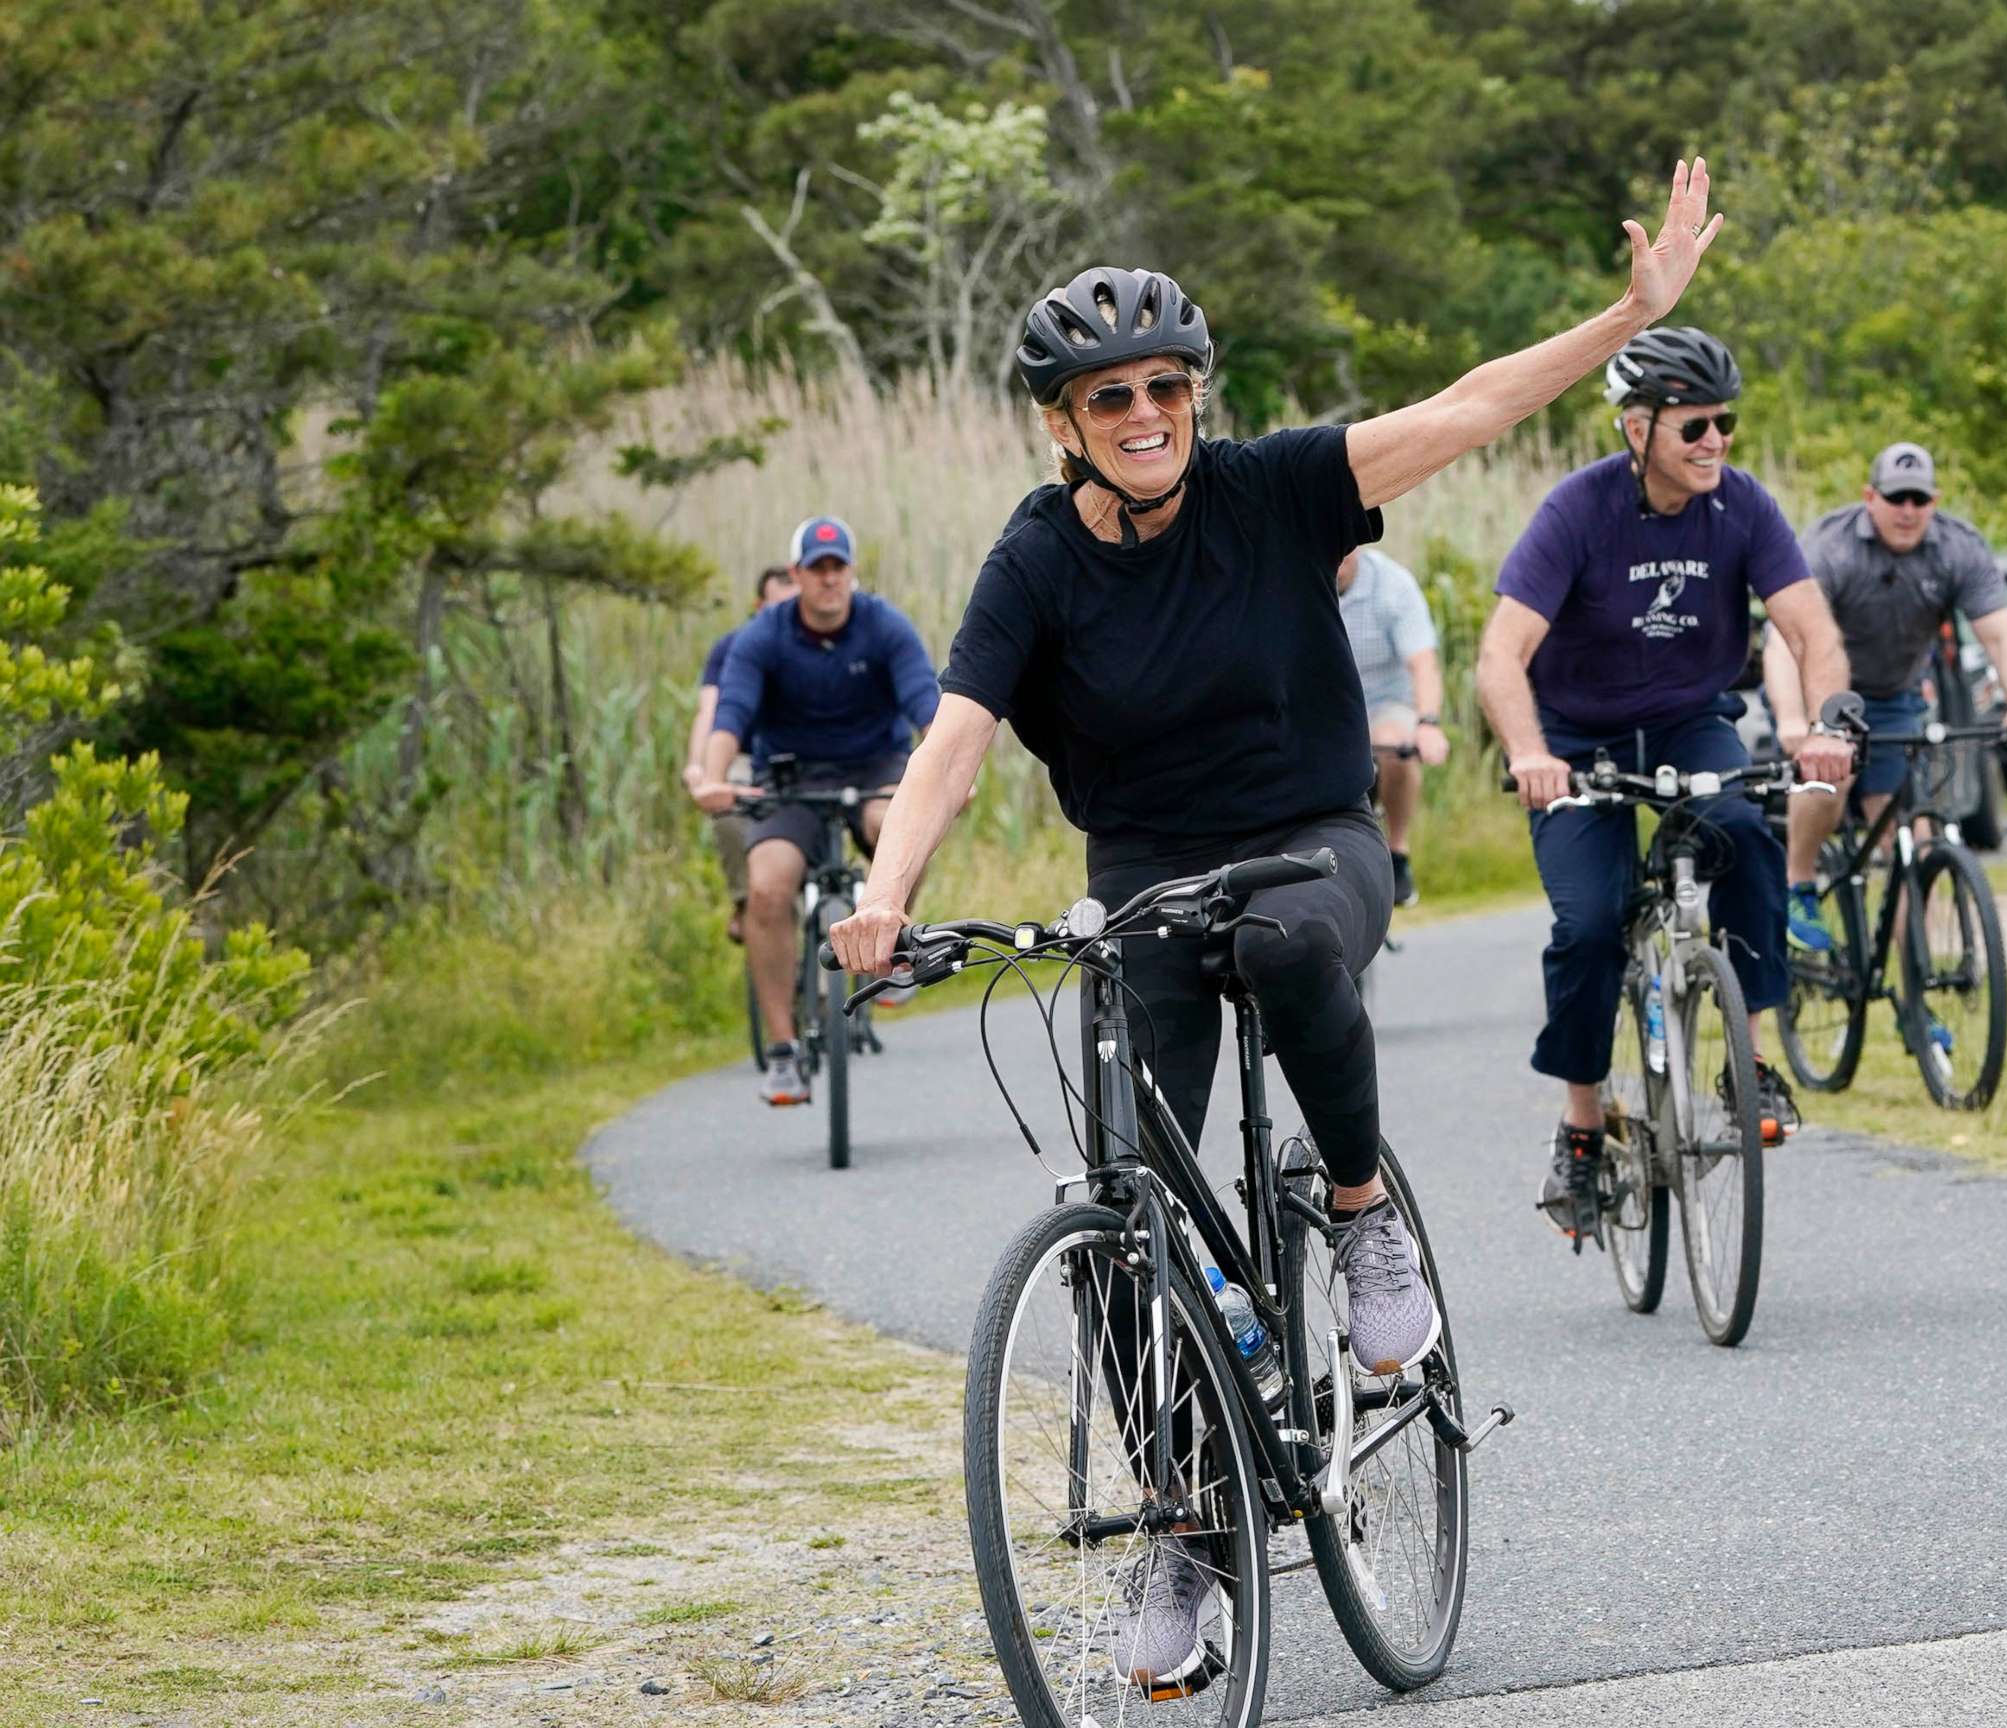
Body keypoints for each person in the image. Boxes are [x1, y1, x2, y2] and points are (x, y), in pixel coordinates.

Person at [825, 160, 1728, 1688]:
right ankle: (1186, 1530)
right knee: (1123, 1223)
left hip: (1313, 839)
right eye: (1108, 400)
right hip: (1143, 877)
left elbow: (1467, 408)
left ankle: (1364, 1220)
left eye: (1164, 387)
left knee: (1295, 943)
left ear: (1194, 396)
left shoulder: (1274, 488)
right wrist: (885, 894)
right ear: (1065, 426)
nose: (1143, 415)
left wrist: (1625, 322)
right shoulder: (1035, 560)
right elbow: (960, 735)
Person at [1475, 325, 1853, 1242]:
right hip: (1576, 737)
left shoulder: (1744, 507)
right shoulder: (1578, 511)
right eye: (1695, 428)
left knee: (1749, 830)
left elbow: (1812, 631)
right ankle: (1580, 1125)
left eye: (1725, 423)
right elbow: (1499, 655)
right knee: (1590, 924)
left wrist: (1832, 720)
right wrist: (1531, 752)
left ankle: (1751, 1063)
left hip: (1692, 721)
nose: (1715, 442)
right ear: (1636, 429)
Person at [1768, 442, 2007, 966]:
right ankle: (1798, 883)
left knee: (1911, 847)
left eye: (1920, 499)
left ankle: (1919, 996)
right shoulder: (1833, 546)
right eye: (1896, 498)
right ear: (1870, 497)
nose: (1908, 510)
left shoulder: (1957, 548)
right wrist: (1793, 721)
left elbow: (2002, 636)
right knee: (1832, 777)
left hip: (1895, 696)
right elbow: (1785, 639)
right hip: (1821, 691)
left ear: (1935, 501)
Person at [696, 516, 939, 1106]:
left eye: (838, 568)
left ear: (851, 572)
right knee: (768, 888)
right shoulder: (765, 635)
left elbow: (927, 705)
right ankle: (782, 1052)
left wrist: (944, 775)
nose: (829, 580)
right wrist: (710, 775)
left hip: (873, 766)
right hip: (790, 775)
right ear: (798, 573)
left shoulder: (883, 625)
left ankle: (891, 941)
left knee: (897, 824)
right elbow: (731, 714)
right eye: (817, 569)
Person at [684, 564, 798, 944]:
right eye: (776, 605)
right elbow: (711, 710)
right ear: (758, 605)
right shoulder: (734, 647)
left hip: (805, 758)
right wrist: (699, 765)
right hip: (745, 758)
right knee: (727, 809)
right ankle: (743, 899)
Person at [1337, 545, 1449, 905]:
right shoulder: (1296, 579)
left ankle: (1397, 851)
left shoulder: (1392, 585)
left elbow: (1423, 663)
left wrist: (1428, 723)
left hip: (1385, 703)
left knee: (1395, 745)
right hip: (1330, 707)